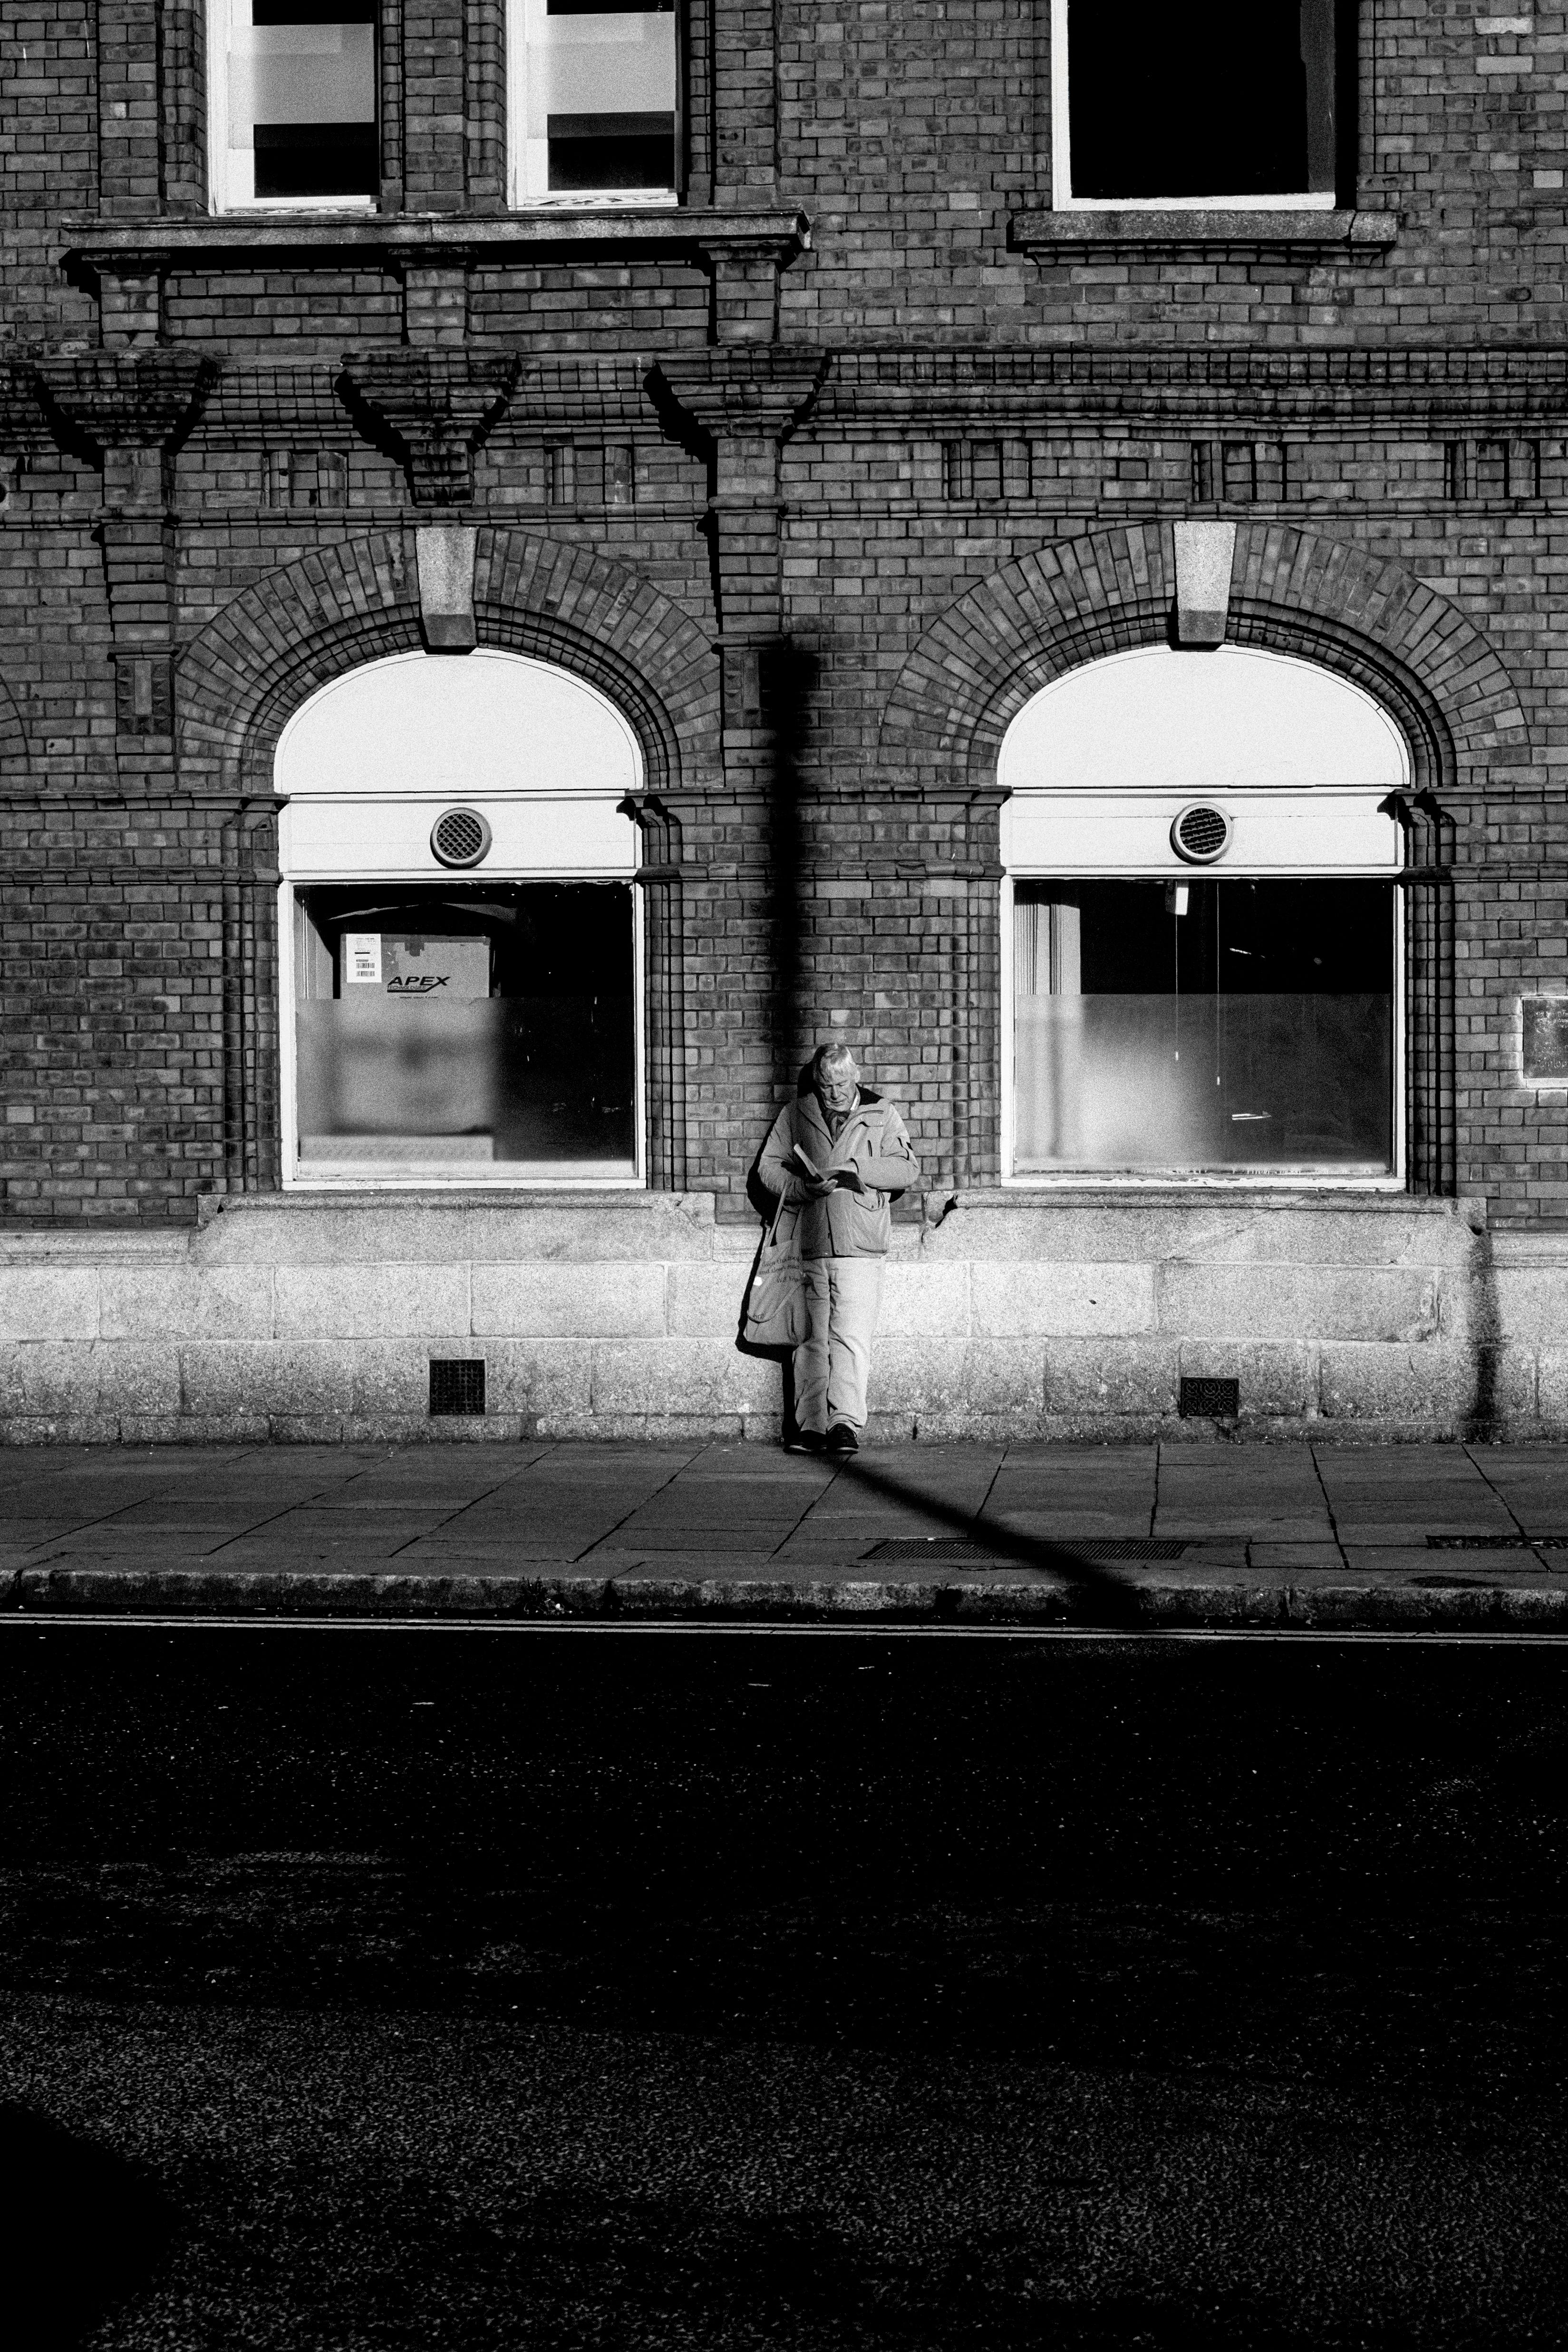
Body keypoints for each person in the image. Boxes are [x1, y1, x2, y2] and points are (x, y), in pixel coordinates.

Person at [757, 1043, 920, 1454]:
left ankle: (844, 1423)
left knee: (851, 1338)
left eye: (842, 1083)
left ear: (856, 1075)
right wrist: (799, 1187)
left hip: (860, 1243)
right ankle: (810, 1425)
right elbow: (767, 1167)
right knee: (809, 1339)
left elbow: (907, 1169)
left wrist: (858, 1169)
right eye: (826, 1085)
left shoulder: (881, 1113)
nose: (834, 1093)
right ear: (817, 1081)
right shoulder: (796, 1112)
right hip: (808, 1242)